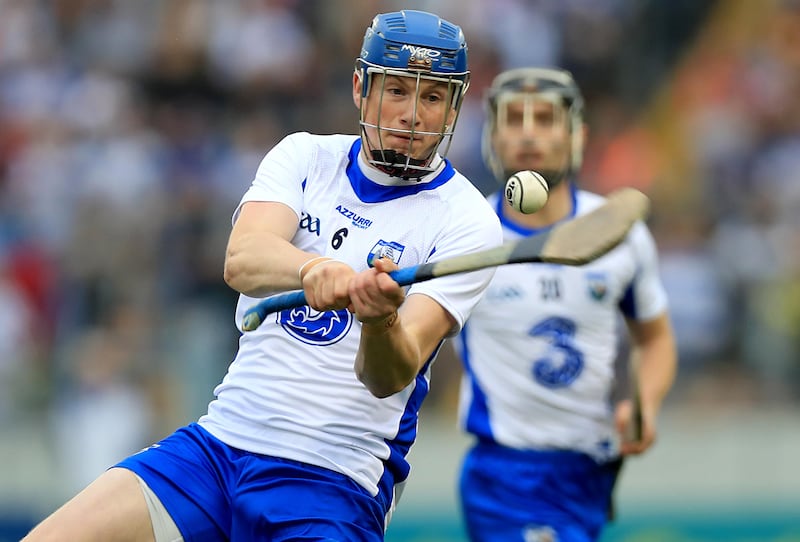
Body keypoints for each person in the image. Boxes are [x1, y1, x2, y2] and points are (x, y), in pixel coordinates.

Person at [25, 10, 502, 542]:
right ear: (360, 88)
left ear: (455, 106)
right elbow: (243, 259)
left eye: (432, 97)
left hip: (332, 480)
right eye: (396, 90)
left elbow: (389, 374)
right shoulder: (305, 157)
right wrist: (319, 269)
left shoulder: (467, 219)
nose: (412, 113)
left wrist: (380, 320)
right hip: (219, 448)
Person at [453, 67, 677, 542]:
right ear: (492, 136)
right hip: (506, 474)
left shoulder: (617, 231)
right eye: (513, 118)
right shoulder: (463, 237)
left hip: (591, 472)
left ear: (577, 134)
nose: (529, 132)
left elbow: (655, 339)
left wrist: (646, 403)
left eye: (546, 118)